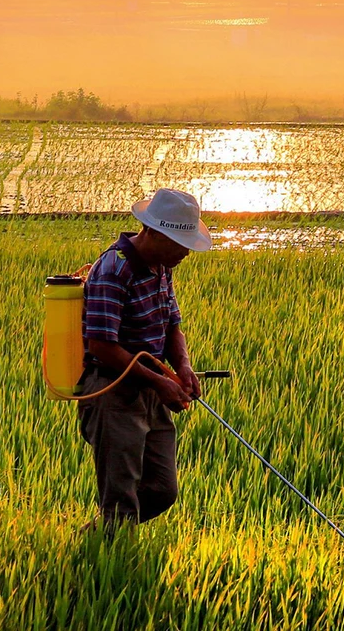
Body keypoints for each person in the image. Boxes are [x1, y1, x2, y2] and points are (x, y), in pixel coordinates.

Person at [78, 188, 212, 536]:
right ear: (152, 232)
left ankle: (95, 538)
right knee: (120, 501)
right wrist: (159, 381)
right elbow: (102, 345)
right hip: (113, 390)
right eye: (179, 243)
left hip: (151, 388)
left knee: (163, 491)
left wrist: (182, 366)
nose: (185, 252)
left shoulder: (161, 267)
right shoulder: (113, 270)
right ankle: (103, 564)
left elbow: (172, 325)